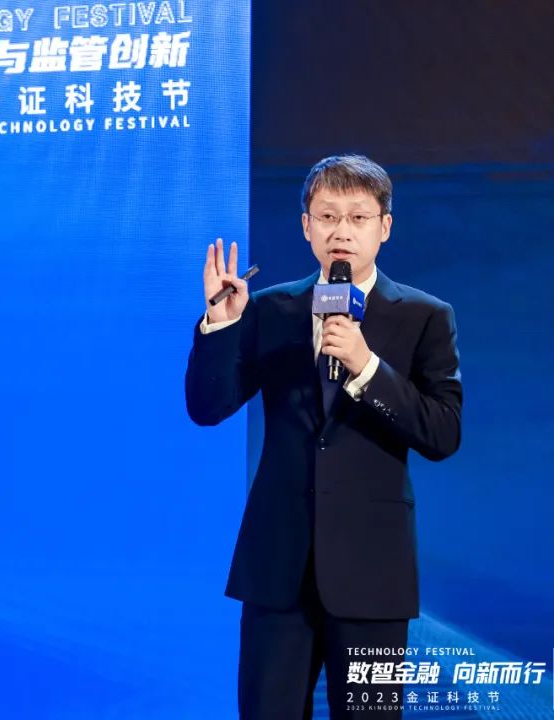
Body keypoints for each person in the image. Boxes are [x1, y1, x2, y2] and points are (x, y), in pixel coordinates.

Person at [185, 155, 463, 719]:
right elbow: (208, 408)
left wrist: (367, 367)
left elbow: (443, 432)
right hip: (277, 568)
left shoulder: (424, 316)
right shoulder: (269, 308)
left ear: (384, 227)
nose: (342, 230)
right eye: (328, 216)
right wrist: (222, 323)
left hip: (372, 573)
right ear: (306, 226)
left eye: (358, 217)